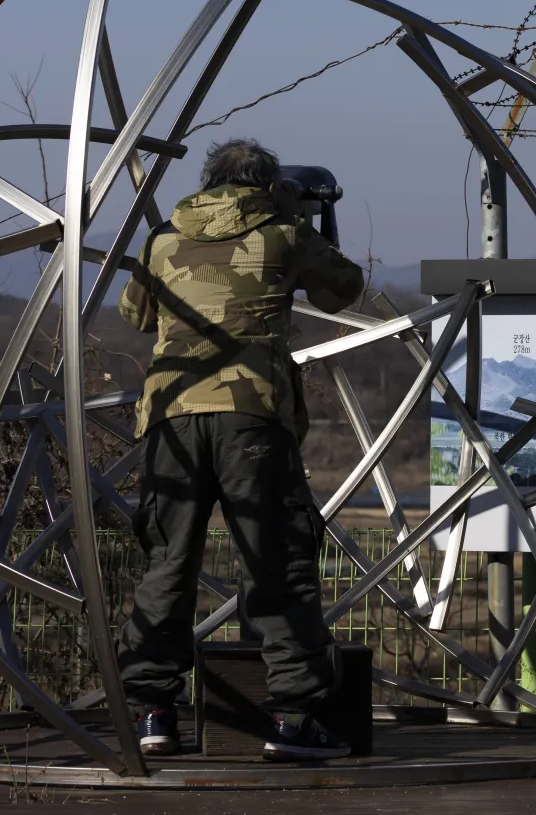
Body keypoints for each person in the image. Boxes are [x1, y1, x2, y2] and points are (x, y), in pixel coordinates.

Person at [115, 138, 365, 761]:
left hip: (170, 417)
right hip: (251, 415)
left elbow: (134, 315)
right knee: (276, 563)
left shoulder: (166, 237)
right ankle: (292, 720)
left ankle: (153, 711)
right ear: (268, 184)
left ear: (209, 181)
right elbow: (344, 290)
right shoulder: (281, 232)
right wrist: (301, 220)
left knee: (168, 562)